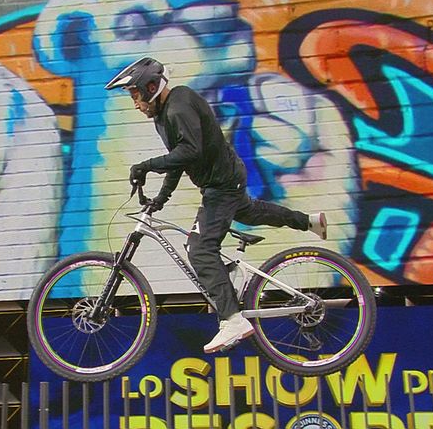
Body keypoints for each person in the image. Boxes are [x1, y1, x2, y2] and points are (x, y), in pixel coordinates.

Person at [105, 57, 327, 353]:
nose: (135, 104)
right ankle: (308, 221)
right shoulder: (165, 115)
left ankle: (232, 320)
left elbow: (190, 151)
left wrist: (146, 165)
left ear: (151, 86)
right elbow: (179, 159)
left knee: (199, 249)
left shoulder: (179, 106)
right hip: (224, 182)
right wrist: (162, 198)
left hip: (221, 185)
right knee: (249, 211)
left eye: (135, 95)